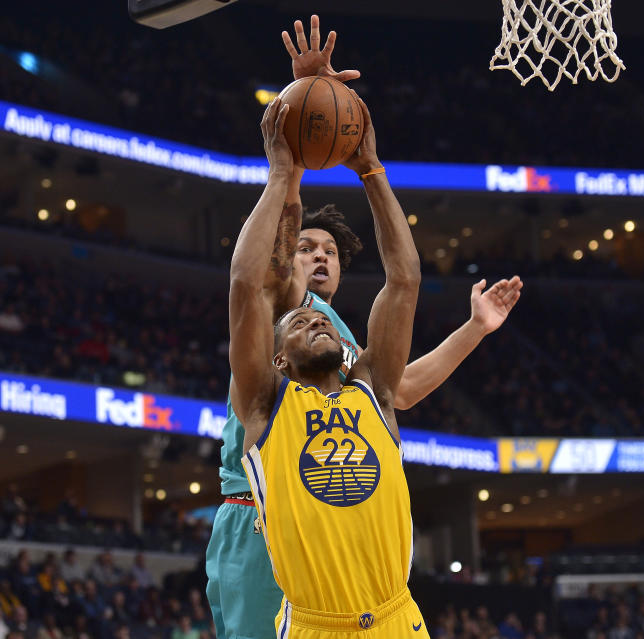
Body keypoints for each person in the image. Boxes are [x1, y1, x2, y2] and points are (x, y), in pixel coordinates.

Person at [205, 16, 522, 639]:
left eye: (331, 250)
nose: (319, 255)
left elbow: (396, 382)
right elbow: (259, 269)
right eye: (307, 247)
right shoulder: (284, 316)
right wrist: (298, 130)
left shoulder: (339, 342)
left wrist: (473, 331)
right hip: (262, 516)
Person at [234, 84, 453, 636]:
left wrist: (372, 172)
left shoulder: (373, 392)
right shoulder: (265, 405)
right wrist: (282, 174)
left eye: (322, 320)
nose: (316, 320)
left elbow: (403, 281)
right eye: (301, 323)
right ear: (277, 359)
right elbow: (247, 284)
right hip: (316, 625)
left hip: (398, 619)